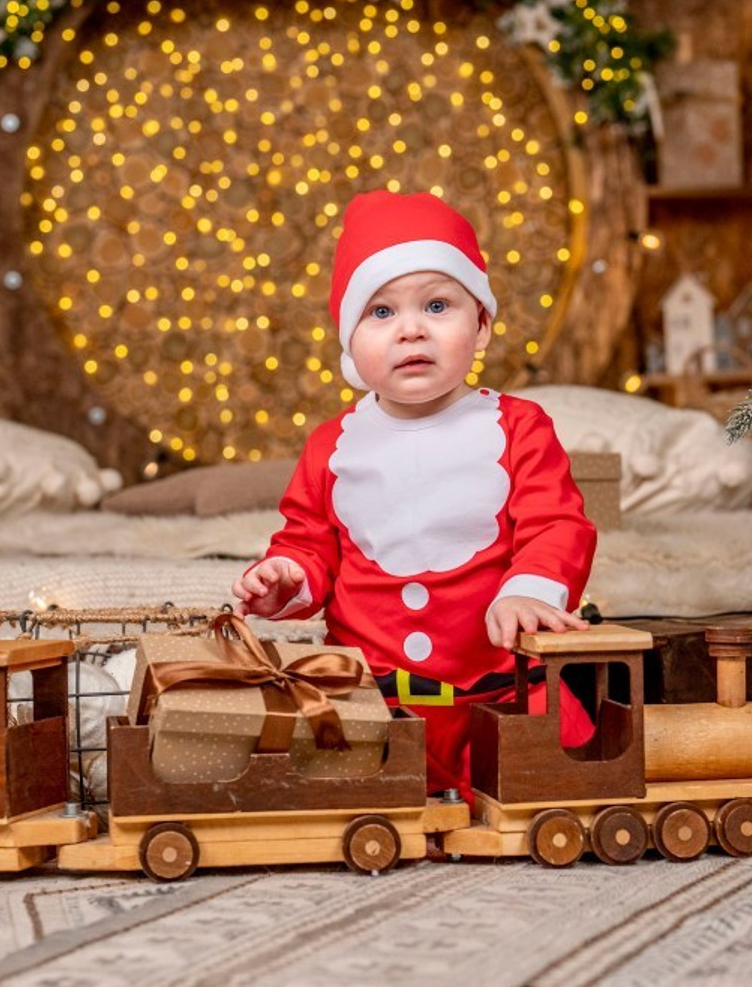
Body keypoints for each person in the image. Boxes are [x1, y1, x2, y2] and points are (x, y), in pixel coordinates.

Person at [231, 189, 598, 800]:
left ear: (480, 327)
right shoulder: (333, 445)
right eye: (380, 313)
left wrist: (529, 589)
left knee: (563, 783)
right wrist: (288, 576)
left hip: (502, 694)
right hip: (374, 704)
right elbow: (309, 539)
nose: (411, 330)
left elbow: (558, 524)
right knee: (328, 789)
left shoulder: (518, 426)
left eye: (436, 304)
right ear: (350, 345)